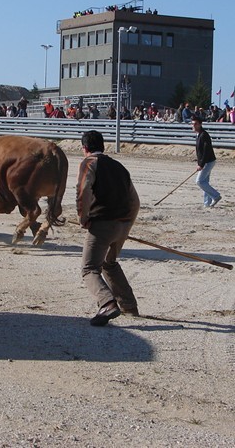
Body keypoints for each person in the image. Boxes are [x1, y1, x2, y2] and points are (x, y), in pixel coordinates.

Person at [76, 130, 140, 326]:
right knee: (109, 263)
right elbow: (135, 200)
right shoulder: (119, 166)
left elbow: (84, 191)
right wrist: (127, 224)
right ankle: (128, 305)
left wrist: (83, 217)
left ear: (84, 148)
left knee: (89, 268)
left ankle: (107, 303)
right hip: (123, 223)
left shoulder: (89, 163)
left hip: (103, 224)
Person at [191, 117, 221, 208]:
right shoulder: (198, 134)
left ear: (200, 124)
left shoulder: (204, 135)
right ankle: (207, 203)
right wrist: (199, 163)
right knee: (205, 182)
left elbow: (205, 151)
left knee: (199, 181)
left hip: (208, 161)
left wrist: (201, 164)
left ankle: (216, 196)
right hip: (205, 162)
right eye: (192, 124)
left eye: (195, 124)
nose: (193, 125)